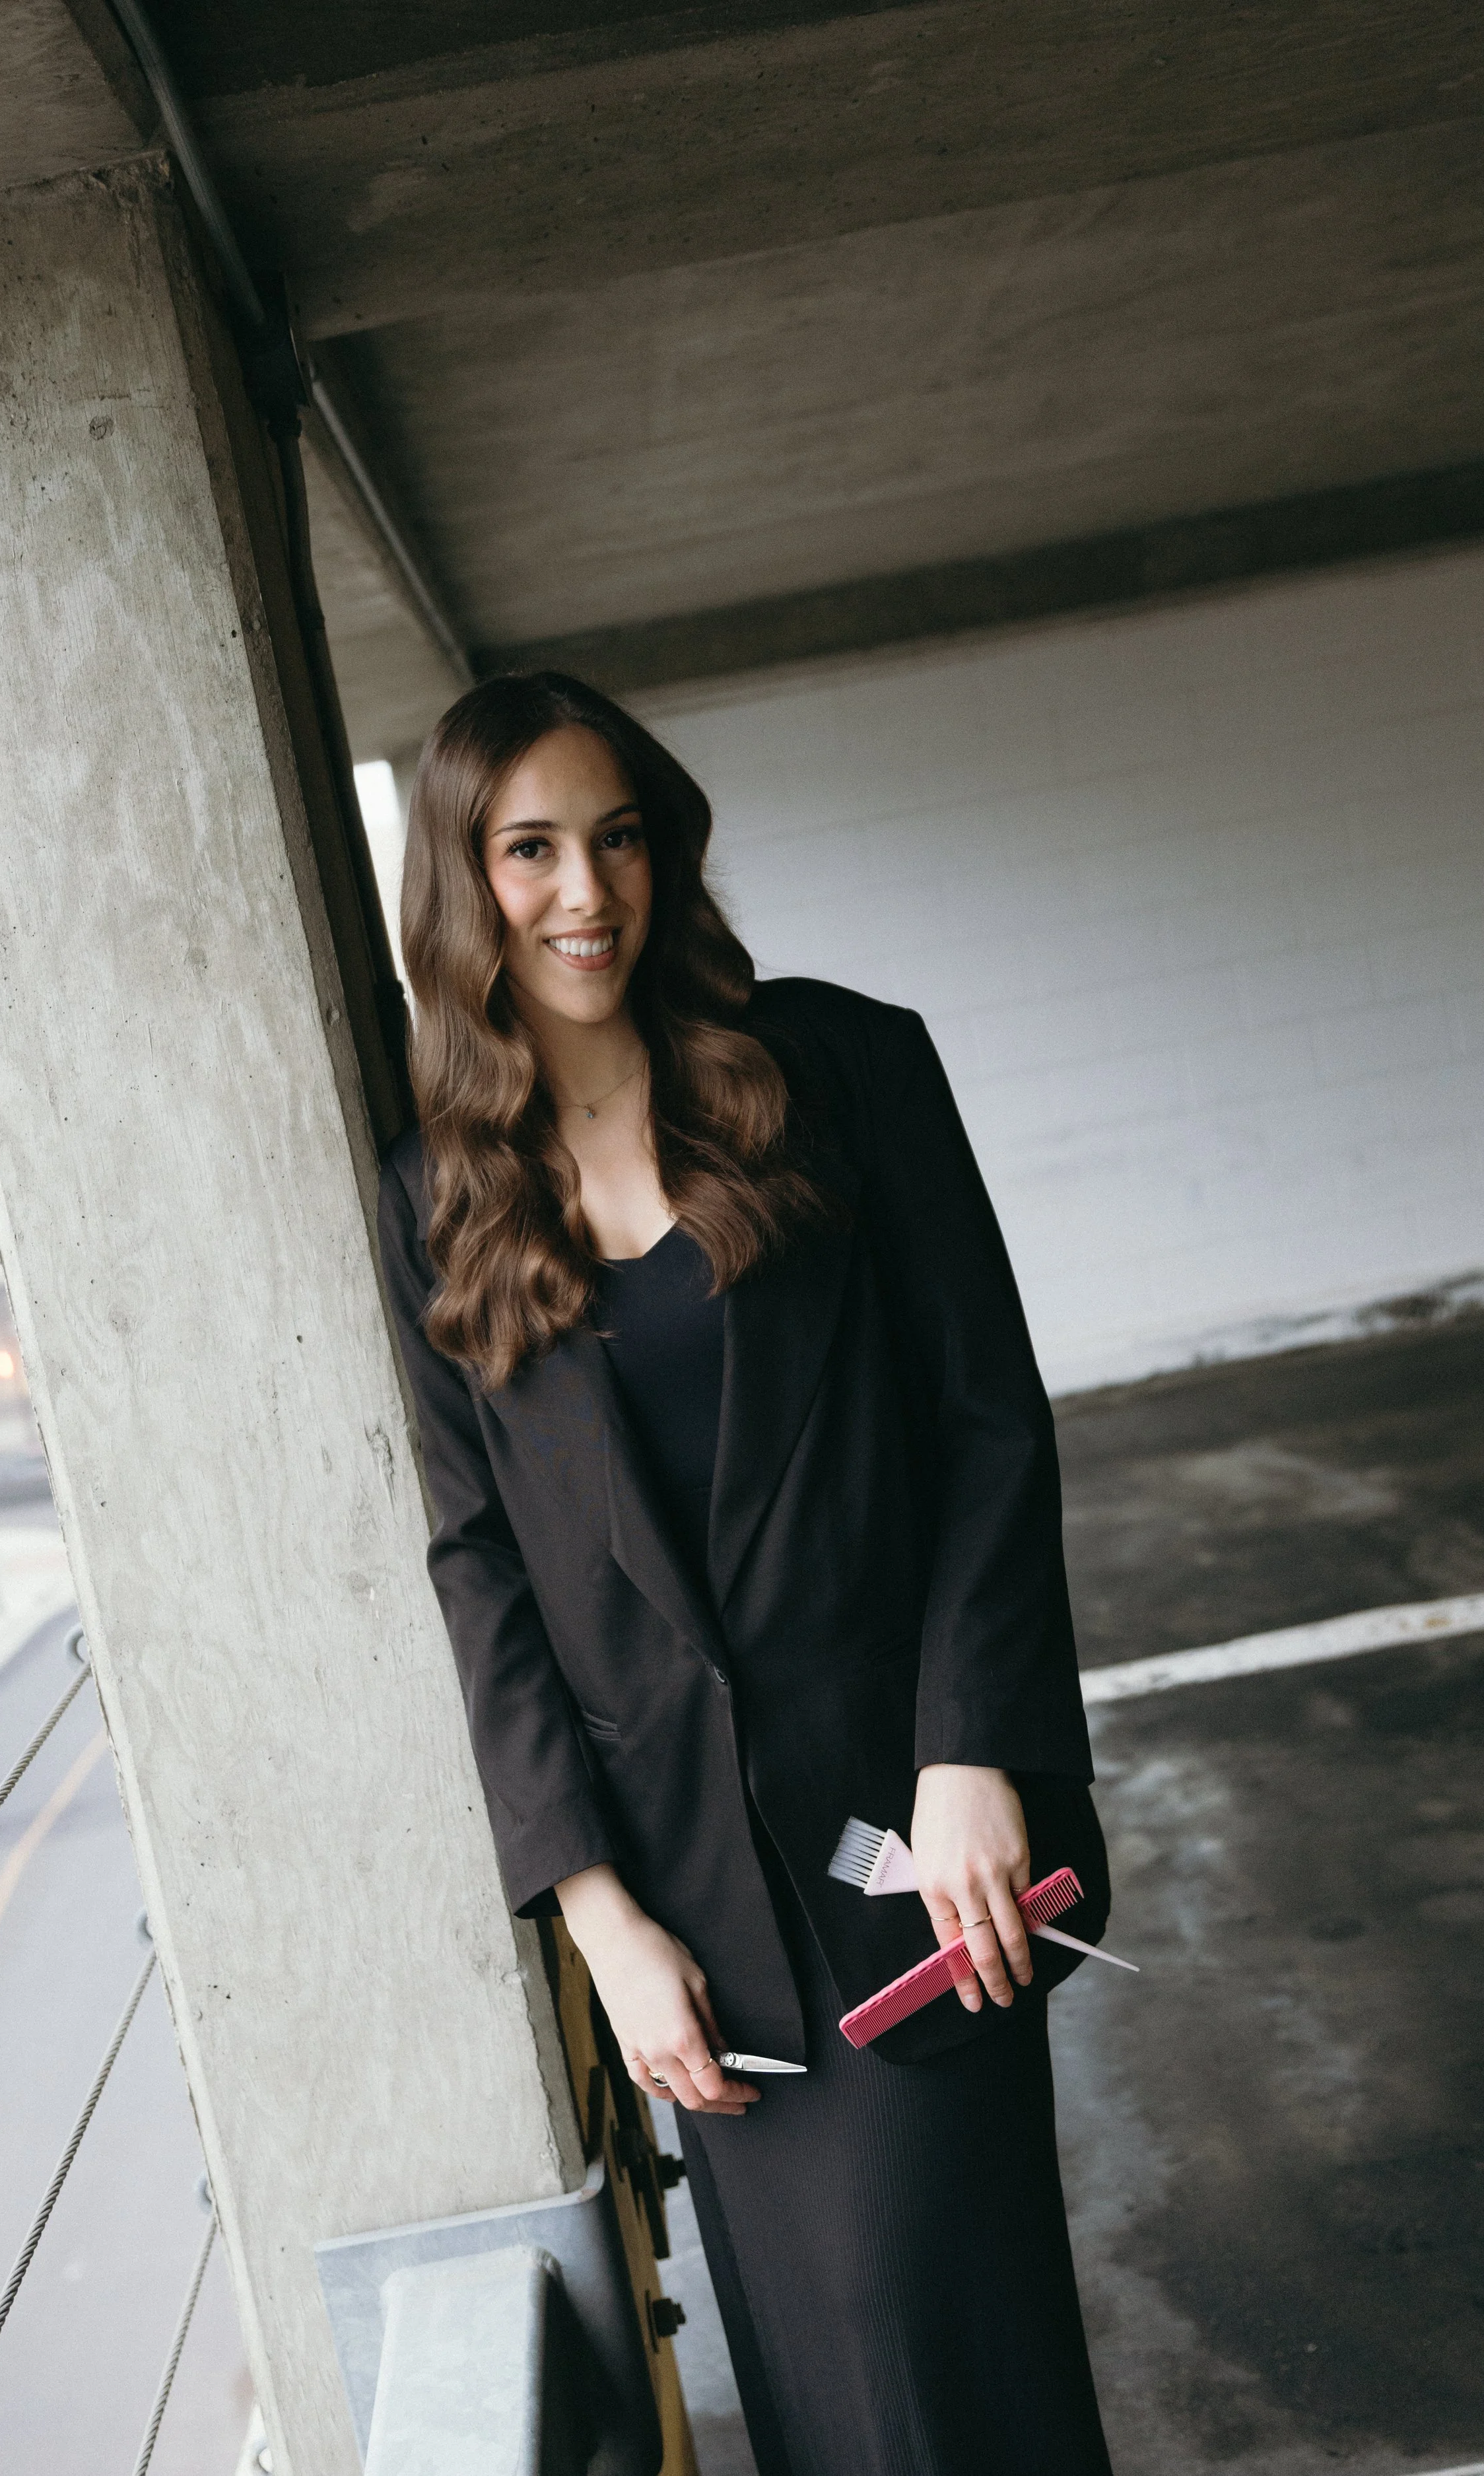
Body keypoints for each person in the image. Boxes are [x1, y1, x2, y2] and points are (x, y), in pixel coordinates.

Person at [375, 671, 1113, 2476]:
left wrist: (970, 1748)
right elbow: (480, 1572)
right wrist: (597, 1917)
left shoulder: (842, 1065)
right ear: (465, 891)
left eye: (614, 836)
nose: (582, 892)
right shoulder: (438, 1203)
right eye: (529, 849)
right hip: (701, 1939)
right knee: (832, 2391)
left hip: (918, 1869)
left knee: (951, 2354)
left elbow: (984, 1421)